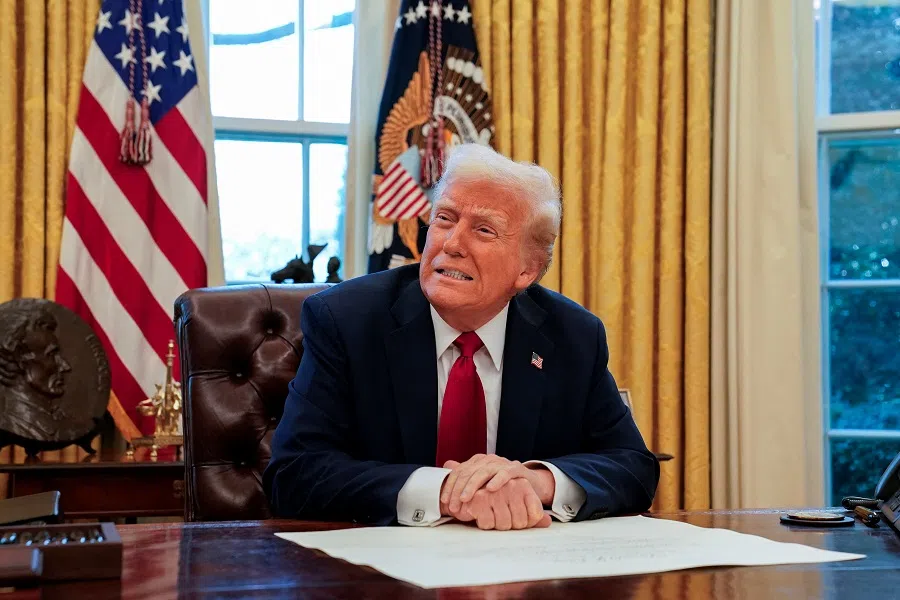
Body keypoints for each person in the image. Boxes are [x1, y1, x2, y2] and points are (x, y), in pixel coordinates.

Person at [264, 143, 659, 530]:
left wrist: (534, 482)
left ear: (527, 271)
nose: (451, 244)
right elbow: (295, 474)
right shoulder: (346, 321)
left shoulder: (574, 336)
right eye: (444, 219)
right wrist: (446, 489)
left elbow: (633, 466)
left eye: (484, 230)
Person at [0, 305, 72, 441]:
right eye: (51, 354)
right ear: (21, 360)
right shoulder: (11, 424)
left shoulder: (65, 424)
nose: (65, 366)